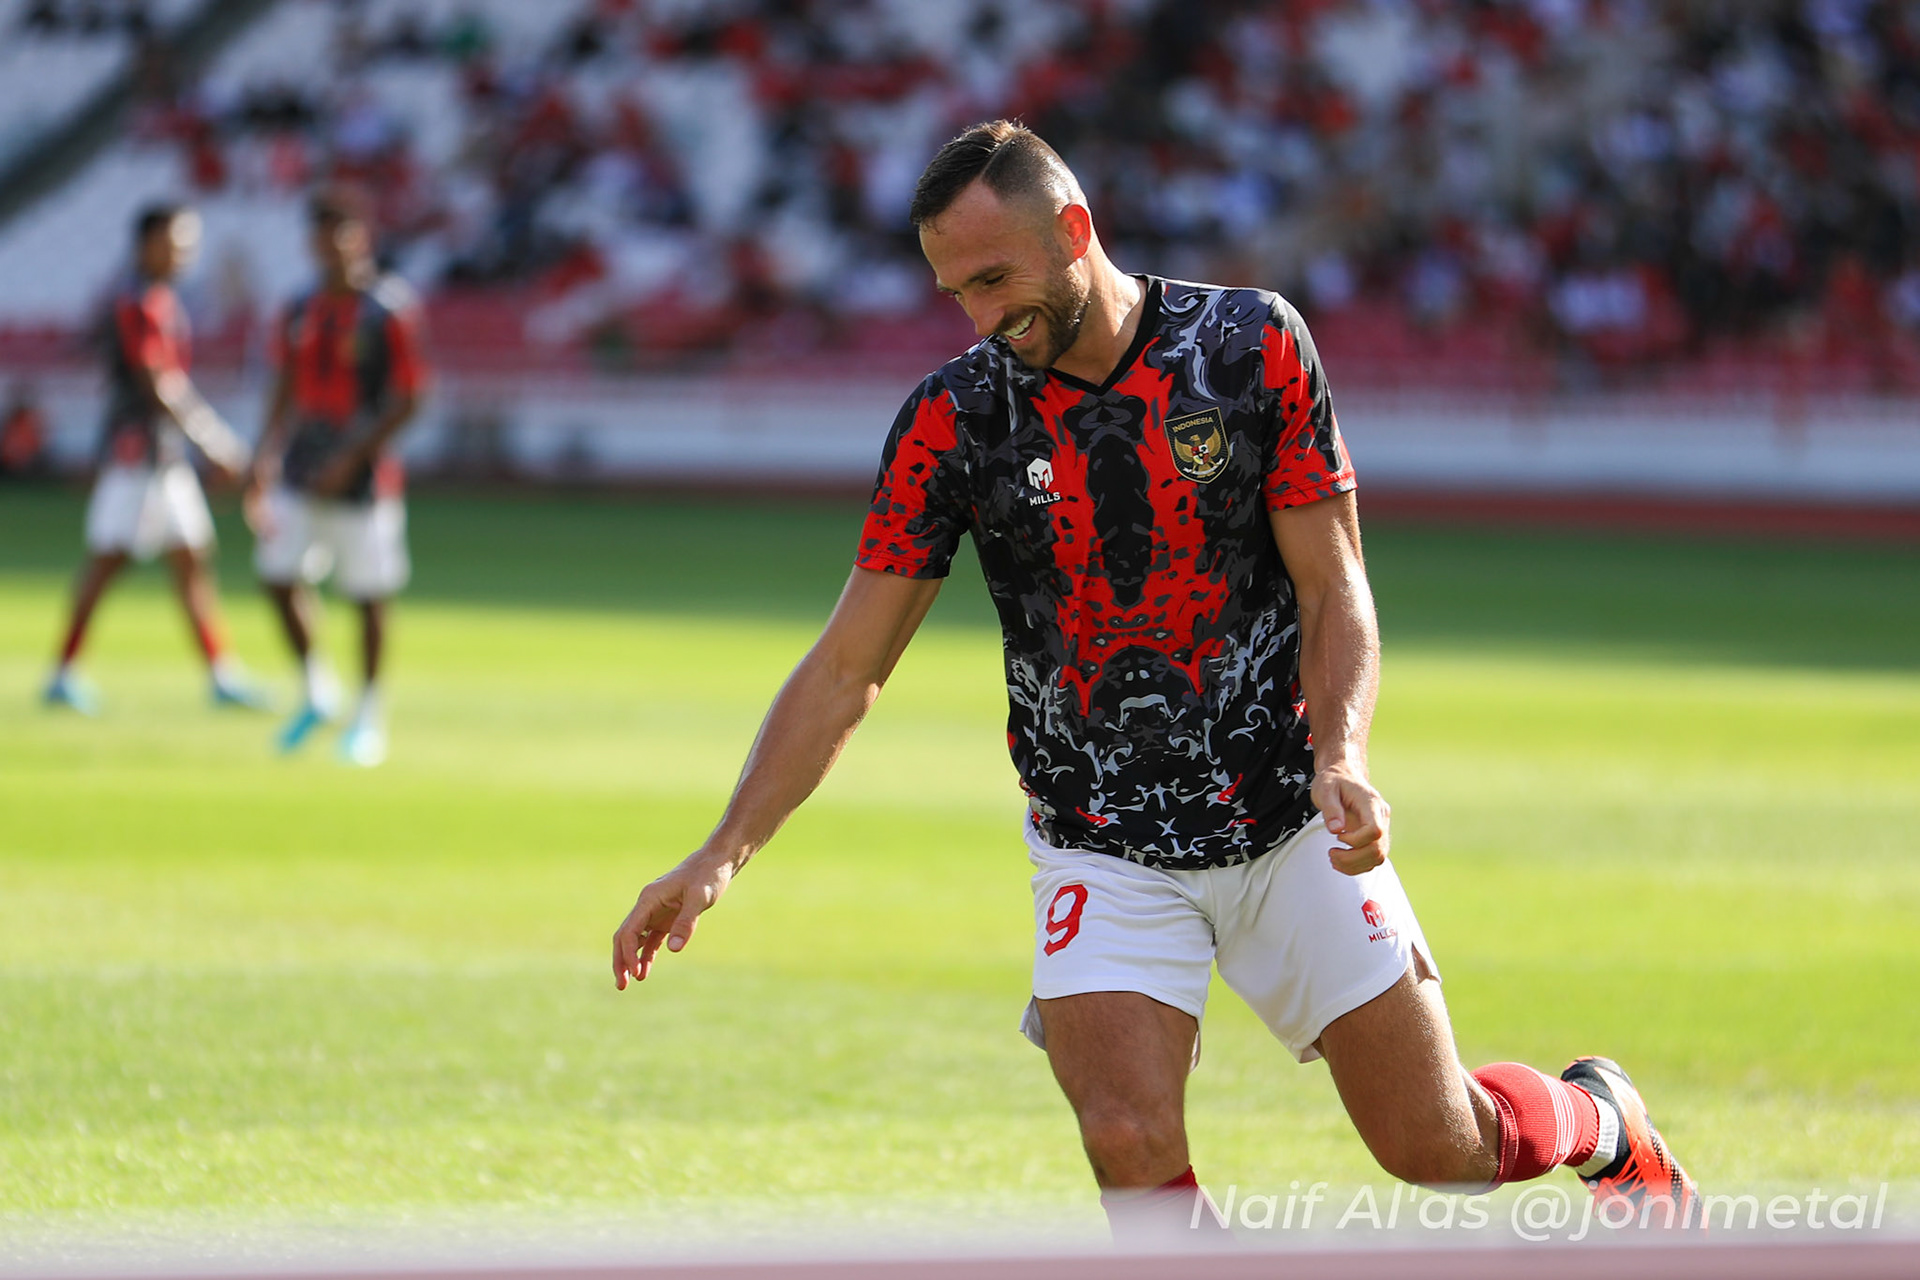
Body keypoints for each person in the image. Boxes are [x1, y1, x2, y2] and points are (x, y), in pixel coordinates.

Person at [610, 122, 1699, 1245]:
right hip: (1099, 842)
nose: (981, 318)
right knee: (1128, 1139)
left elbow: (1335, 589)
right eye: (956, 293)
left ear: (1073, 229)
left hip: (1288, 820)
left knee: (1442, 1149)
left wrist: (1343, 758)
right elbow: (848, 663)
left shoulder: (1251, 345)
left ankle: (1599, 1116)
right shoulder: (953, 418)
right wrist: (720, 850)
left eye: (995, 279)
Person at [44, 203, 264, 715]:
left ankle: (221, 674)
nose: (185, 252)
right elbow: (158, 385)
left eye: (188, 242)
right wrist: (215, 442)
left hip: (161, 454)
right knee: (109, 560)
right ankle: (62, 672)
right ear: (146, 243)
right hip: (137, 451)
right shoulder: (136, 302)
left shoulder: (160, 300)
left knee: (190, 559)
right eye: (175, 241)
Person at [245, 187, 425, 767]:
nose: (329, 250)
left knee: (369, 595)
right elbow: (284, 382)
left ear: (361, 238)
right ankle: (318, 690)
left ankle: (370, 713)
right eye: (320, 239)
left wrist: (354, 455)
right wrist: (265, 453)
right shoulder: (299, 306)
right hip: (302, 463)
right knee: (276, 575)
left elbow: (410, 396)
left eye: (340, 237)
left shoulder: (387, 309)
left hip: (364, 473)